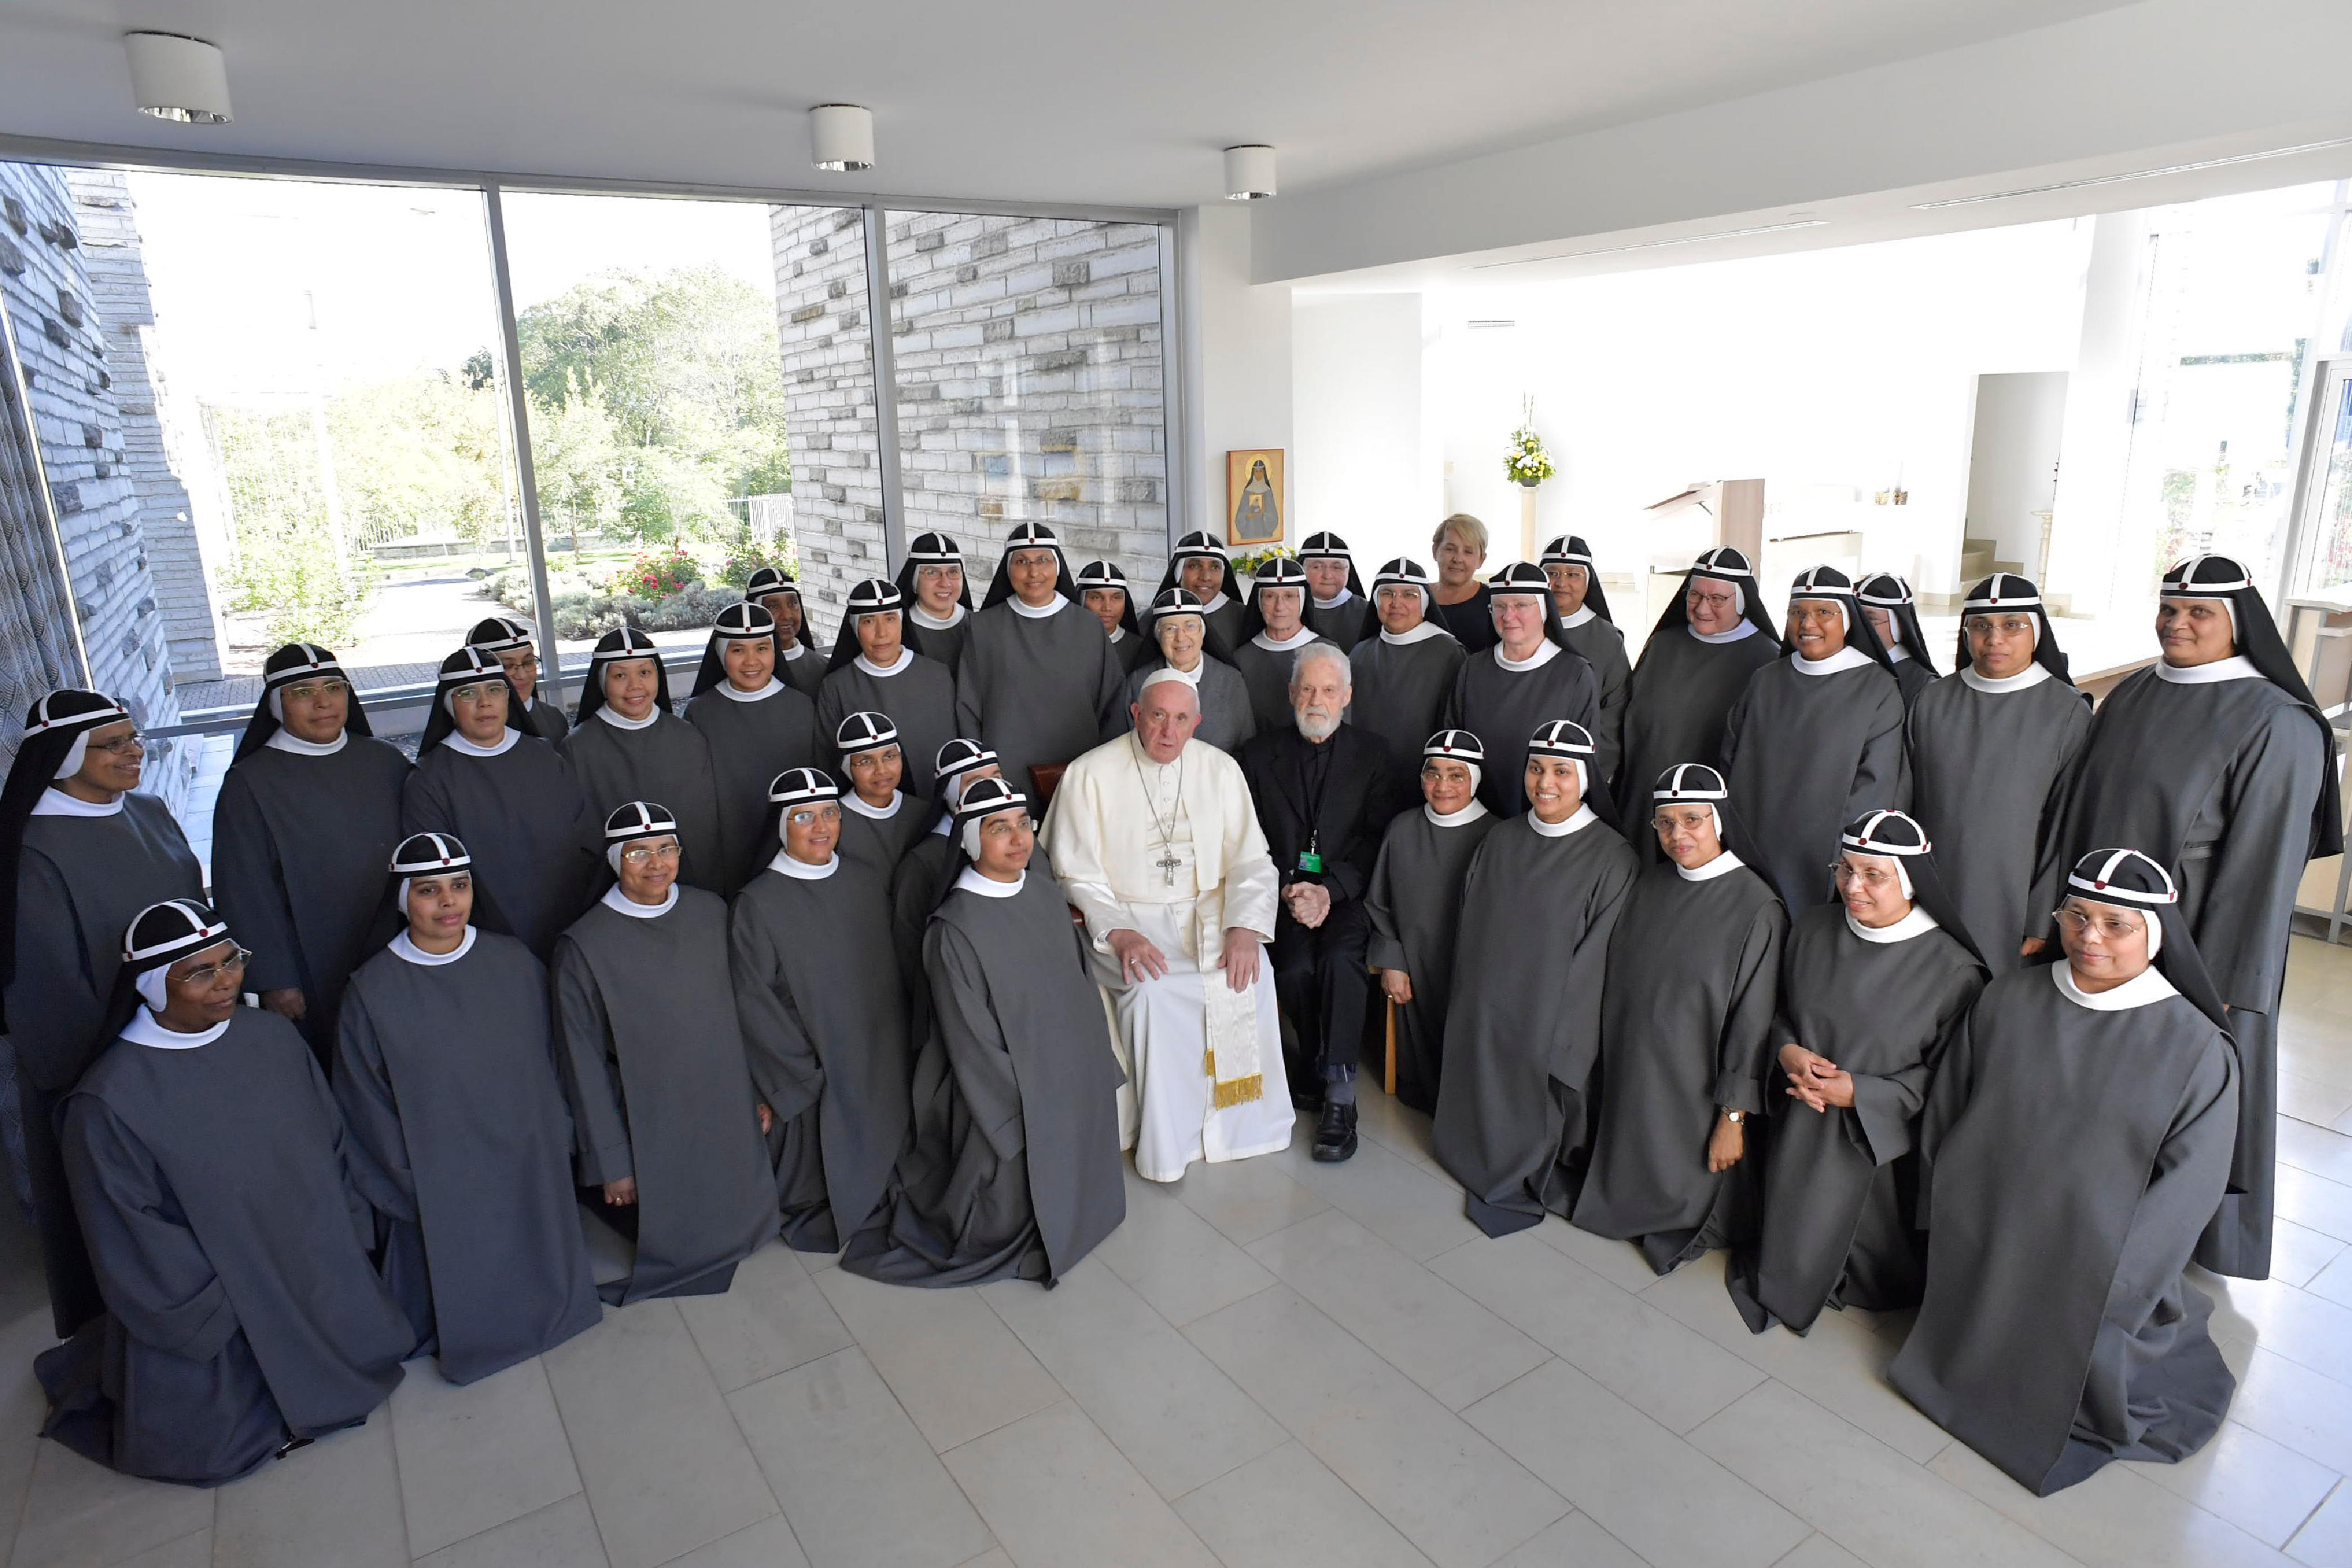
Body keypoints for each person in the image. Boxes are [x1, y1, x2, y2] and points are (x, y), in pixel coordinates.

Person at [1891, 848, 2239, 1496]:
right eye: (2075, 915)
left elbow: (2189, 1189)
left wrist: (2121, 1285)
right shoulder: (2007, 996)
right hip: (1990, 1220)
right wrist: (1945, 1206)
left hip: (2098, 1251)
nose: (2088, 937)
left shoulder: (2196, 1048)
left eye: (2115, 924)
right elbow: (1949, 1105)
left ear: (2155, 935)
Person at [38, 900, 412, 1486]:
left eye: (232, 961)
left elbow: (330, 1136)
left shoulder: (272, 1035)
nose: (227, 982)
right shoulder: (108, 1101)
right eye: (201, 973)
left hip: (313, 1257)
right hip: (220, 1292)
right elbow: (130, 1233)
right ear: (153, 986)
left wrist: (342, 1230)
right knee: (212, 1444)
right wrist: (229, 1299)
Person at [2057, 553, 2339, 1281]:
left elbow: (2263, 871)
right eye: (2168, 608)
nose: (2176, 624)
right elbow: (2077, 809)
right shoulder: (2136, 690)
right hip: (2097, 932)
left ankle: (2174, 1237)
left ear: (2237, 622)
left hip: (2194, 948)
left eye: (2198, 612)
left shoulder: (2277, 722)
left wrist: (2220, 984)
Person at [333, 834, 599, 1384]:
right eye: (429, 890)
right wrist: (404, 1177)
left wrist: (559, 1128)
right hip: (439, 1164)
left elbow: (553, 1055)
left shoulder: (514, 961)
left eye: (459, 885)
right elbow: (363, 1099)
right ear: (403, 899)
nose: (448, 902)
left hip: (526, 1145)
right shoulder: (372, 989)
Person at [843, 776, 1126, 1287]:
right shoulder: (953, 927)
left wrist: (1092, 1064)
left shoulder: (1042, 892)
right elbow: (971, 1043)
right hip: (1001, 1091)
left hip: (1063, 1066)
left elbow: (1080, 985)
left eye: (1024, 824)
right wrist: (1025, 1111)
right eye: (1000, 828)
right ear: (973, 840)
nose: (1019, 839)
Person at [1725, 810, 1985, 1336]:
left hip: (1875, 1143)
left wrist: (1862, 1093)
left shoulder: (1954, 970)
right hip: (1798, 1118)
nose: (1852, 886)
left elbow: (1949, 1079)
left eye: (1873, 875)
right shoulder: (1813, 927)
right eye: (1844, 868)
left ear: (1910, 881)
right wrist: (1786, 1051)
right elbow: (1779, 1010)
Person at [0, 690, 203, 1337]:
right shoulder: (33, 850)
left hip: (190, 1038)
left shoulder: (150, 810)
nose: (134, 752)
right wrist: (120, 1065)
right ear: (63, 757)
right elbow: (49, 987)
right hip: (108, 1065)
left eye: (133, 738)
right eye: (112, 745)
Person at [1043, 671, 1292, 1181]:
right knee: (1151, 991)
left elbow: (1252, 860)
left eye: (1181, 719)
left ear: (1197, 722)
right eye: (1157, 715)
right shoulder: (1090, 774)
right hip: (1127, 922)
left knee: (1251, 973)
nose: (1168, 731)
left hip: (1208, 915)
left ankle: (1239, 1129)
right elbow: (1074, 875)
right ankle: (1167, 1140)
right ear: (1136, 714)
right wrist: (1119, 932)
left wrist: (1244, 927)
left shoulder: (1220, 770)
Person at [550, 803, 778, 1301]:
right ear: (616, 860)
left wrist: (758, 1090)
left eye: (666, 849)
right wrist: (612, 1163)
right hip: (652, 1112)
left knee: (740, 1212)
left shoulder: (710, 911)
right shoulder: (583, 945)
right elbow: (581, 1063)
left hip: (722, 1094)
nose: (656, 863)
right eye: (639, 852)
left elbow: (746, 1011)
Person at [1574, 764, 1786, 1274]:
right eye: (1665, 823)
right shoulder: (1651, 883)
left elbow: (1753, 1023)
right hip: (1633, 1072)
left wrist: (1732, 1118)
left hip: (1696, 1088)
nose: (1677, 835)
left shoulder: (1757, 905)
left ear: (1719, 820)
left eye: (1692, 819)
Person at [1434, 721, 1639, 1235]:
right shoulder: (1500, 838)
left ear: (1585, 778)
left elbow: (1597, 961)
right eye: (1536, 768)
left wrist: (1561, 1041)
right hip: (1486, 1010)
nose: (1545, 782)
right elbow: (1471, 925)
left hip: (1550, 1021)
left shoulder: (1613, 856)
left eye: (1561, 771)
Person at [1239, 643, 1409, 1161]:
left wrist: (1328, 889)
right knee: (1292, 967)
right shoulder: (1256, 755)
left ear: (1347, 696)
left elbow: (1379, 838)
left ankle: (1339, 1093)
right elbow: (1247, 835)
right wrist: (1292, 886)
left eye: (1329, 689)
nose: (1317, 699)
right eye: (1308, 688)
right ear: (1291, 692)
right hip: (1284, 892)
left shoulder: (1375, 754)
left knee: (1339, 958)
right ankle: (1315, 1060)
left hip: (1349, 894)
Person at [731, 769, 912, 1253]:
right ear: (781, 826)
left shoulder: (865, 879)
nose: (821, 827)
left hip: (880, 1048)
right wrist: (799, 1075)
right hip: (815, 1062)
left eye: (830, 813)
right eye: (804, 817)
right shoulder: (757, 902)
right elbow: (753, 1001)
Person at [212, 642, 411, 1061]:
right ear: (276, 704)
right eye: (303, 692)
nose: (323, 703)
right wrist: (274, 978)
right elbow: (244, 890)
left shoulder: (386, 761)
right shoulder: (249, 783)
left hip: (393, 943)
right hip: (310, 962)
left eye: (333, 688)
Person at [1904, 573, 2091, 976]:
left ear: (2036, 632)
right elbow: (1905, 798)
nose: (1995, 639)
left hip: (2012, 898)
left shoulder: (2067, 710)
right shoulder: (1933, 699)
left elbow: (2066, 824)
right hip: (1929, 886)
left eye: (2012, 625)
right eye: (1981, 626)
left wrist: (2041, 916)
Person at [1721, 565, 1908, 910]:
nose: (1807, 625)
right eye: (1797, 613)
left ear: (1847, 620)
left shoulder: (1877, 688)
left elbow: (1876, 785)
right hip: (1751, 842)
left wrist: (1847, 859)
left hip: (1823, 858)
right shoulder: (1765, 680)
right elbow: (1730, 757)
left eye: (1824, 613)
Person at [405, 647, 604, 959]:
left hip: (568, 926)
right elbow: (437, 880)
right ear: (449, 705)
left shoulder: (545, 758)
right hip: (487, 943)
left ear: (508, 697)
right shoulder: (429, 779)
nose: (485, 703)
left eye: (495, 690)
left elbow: (584, 841)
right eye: (468, 693)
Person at [1366, 730, 1498, 1113]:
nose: (1443, 786)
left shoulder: (1498, 836)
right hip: (1413, 975)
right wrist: (1392, 961)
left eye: (1456, 775)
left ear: (1475, 779)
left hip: (1472, 976)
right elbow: (1379, 903)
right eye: (1433, 773)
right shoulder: (1402, 828)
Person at [1614, 547, 1781, 848]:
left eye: (1717, 599)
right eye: (1695, 596)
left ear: (1741, 601)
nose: (1703, 608)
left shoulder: (1766, 658)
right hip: (1643, 798)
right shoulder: (1663, 644)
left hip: (1705, 813)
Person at [958, 522, 1124, 800]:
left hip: (1080, 774)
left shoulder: (1088, 627)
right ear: (1008, 569)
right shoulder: (982, 627)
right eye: (1022, 561)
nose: (1033, 572)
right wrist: (982, 771)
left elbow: (1113, 706)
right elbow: (968, 709)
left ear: (1057, 567)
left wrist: (1105, 770)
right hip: (1004, 779)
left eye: (1043, 560)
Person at [560, 626, 728, 892]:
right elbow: (580, 838)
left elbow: (704, 828)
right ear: (602, 682)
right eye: (620, 676)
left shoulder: (688, 737)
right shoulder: (576, 749)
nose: (635, 686)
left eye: (644, 673)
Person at [1442, 562, 1601, 818]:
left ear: (1544, 609)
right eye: (1500, 607)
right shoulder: (1473, 668)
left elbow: (1583, 762)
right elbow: (1454, 741)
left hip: (1543, 814)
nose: (1508, 616)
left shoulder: (1575, 674)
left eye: (1521, 606)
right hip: (1475, 812)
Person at [685, 600, 824, 891]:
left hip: (796, 844)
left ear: (774, 651)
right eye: (738, 650)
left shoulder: (801, 707)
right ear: (721, 654)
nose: (751, 662)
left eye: (762, 648)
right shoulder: (701, 713)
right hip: (728, 848)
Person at [818, 577, 959, 802]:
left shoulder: (939, 675)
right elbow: (828, 762)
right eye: (868, 621)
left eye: (890, 619)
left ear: (902, 622)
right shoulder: (836, 687)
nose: (882, 632)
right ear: (855, 628)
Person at [892, 739, 1007, 1005]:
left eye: (997, 777)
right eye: (975, 782)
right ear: (950, 792)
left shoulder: (1021, 844)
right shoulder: (922, 863)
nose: (991, 789)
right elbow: (910, 950)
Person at [1349, 557, 1467, 799]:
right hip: (1364, 779)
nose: (1396, 603)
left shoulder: (1450, 653)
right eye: (1387, 594)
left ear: (1424, 602)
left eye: (1409, 595)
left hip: (1427, 782)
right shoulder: (1360, 653)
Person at [1539, 535, 1631, 790]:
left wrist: (1592, 773)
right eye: (1552, 573)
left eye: (1573, 575)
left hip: (1580, 770)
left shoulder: (1608, 639)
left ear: (1588, 582)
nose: (1561, 583)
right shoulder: (1519, 625)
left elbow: (1614, 714)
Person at [1118, 587, 1257, 753]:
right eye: (1170, 629)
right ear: (1158, 636)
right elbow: (1126, 746)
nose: (1181, 637)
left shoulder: (1232, 681)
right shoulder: (1138, 682)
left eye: (1190, 626)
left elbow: (1247, 748)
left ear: (1202, 632)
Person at [1229, 554, 1334, 736]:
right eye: (1270, 596)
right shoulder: (1242, 658)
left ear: (1303, 600)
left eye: (1289, 596)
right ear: (1259, 601)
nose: (1280, 606)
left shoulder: (1329, 652)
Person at [833, 710, 928, 879]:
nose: (881, 770)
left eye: (889, 756)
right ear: (846, 768)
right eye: (866, 761)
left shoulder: (924, 813)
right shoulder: (832, 820)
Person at [466, 615, 569, 740]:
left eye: (528, 662)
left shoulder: (553, 718)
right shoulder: (470, 725)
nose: (522, 675)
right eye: (507, 666)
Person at [1153, 531, 1248, 659]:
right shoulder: (1149, 620)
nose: (1205, 577)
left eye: (1215, 567)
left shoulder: (1244, 618)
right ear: (1178, 572)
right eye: (1195, 566)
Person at [745, 564, 828, 700]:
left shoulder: (824, 667)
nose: (787, 615)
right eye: (773, 606)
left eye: (793, 604)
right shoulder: (746, 671)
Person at [1857, 573, 1939, 708]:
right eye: (1856, 618)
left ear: (1898, 626)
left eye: (1870, 619)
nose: (1860, 627)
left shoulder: (1922, 684)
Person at [896, 531, 973, 671]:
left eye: (953, 572)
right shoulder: (897, 632)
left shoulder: (979, 626)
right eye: (932, 573)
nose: (945, 583)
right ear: (914, 580)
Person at [1427, 513, 1497, 654]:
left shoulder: (1494, 601)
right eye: (1450, 549)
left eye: (1468, 552)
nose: (1458, 559)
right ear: (1435, 551)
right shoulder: (1416, 597)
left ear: (1481, 559)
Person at [1078, 559, 1152, 674]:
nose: (1107, 607)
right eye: (1097, 598)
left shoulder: (1141, 650)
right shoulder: (1064, 644)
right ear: (1082, 600)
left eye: (1116, 598)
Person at [1299, 531, 1373, 649]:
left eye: (1336, 567)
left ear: (1348, 571)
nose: (1327, 576)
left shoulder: (1367, 612)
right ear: (1302, 570)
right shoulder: (1286, 609)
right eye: (1317, 567)